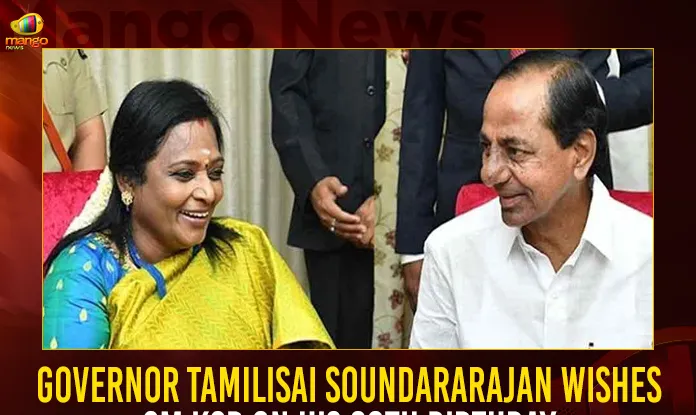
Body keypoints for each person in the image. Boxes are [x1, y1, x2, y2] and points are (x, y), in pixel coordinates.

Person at [42, 79, 334, 350]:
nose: (208, 192)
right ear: (127, 181)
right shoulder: (85, 271)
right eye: (184, 174)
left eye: (215, 173)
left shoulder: (244, 248)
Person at [409, 52, 653, 349]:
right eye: (486, 148)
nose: (489, 174)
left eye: (516, 152)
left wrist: (579, 95)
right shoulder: (450, 254)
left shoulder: (649, 259)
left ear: (581, 153)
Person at [269, 50, 384, 348]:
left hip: (418, 211)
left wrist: (390, 199)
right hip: (335, 217)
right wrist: (313, 178)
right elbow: (287, 92)